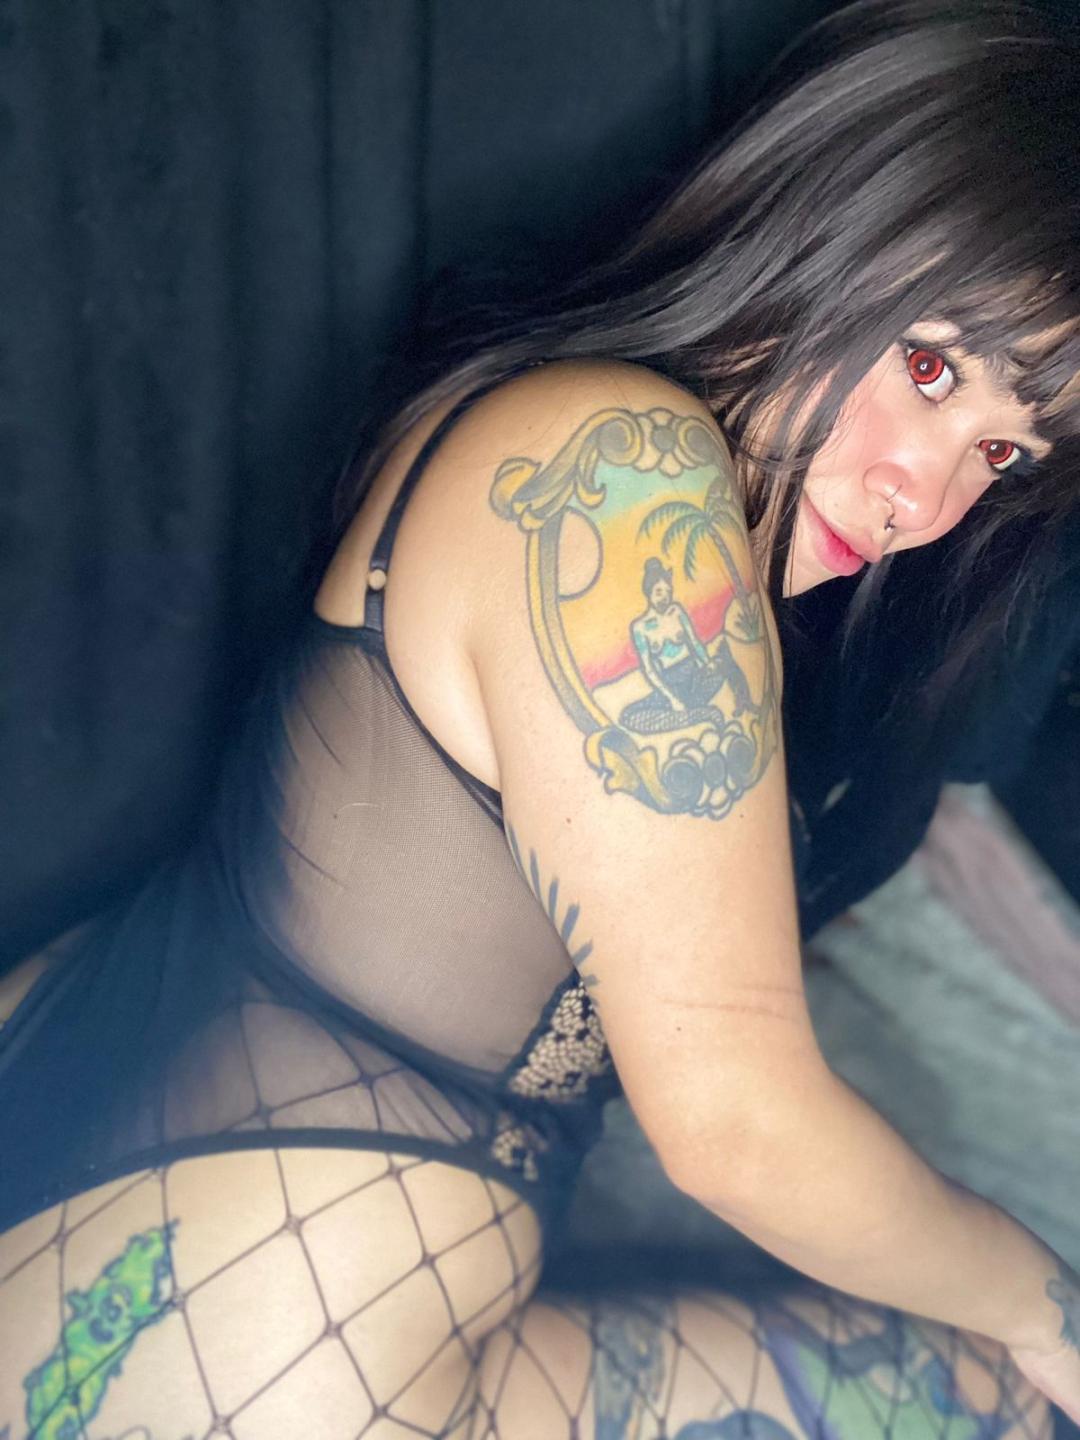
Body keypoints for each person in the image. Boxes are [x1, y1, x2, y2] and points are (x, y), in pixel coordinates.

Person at [2, 0, 1080, 1435]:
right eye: (931, 367)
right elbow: (739, 1127)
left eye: (1003, 451)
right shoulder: (628, 473)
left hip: (110, 1230)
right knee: (1009, 1391)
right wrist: (1042, 1303)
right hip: (272, 1371)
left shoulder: (570, 429)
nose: (923, 499)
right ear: (828, 222)